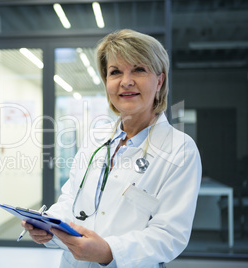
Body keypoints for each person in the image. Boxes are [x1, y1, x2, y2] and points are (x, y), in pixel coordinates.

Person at [22, 29, 202, 268]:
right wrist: (49, 226)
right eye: (115, 72)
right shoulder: (96, 137)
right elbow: (71, 199)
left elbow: (169, 236)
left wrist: (109, 251)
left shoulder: (180, 149)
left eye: (139, 69)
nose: (126, 81)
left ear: (159, 80)